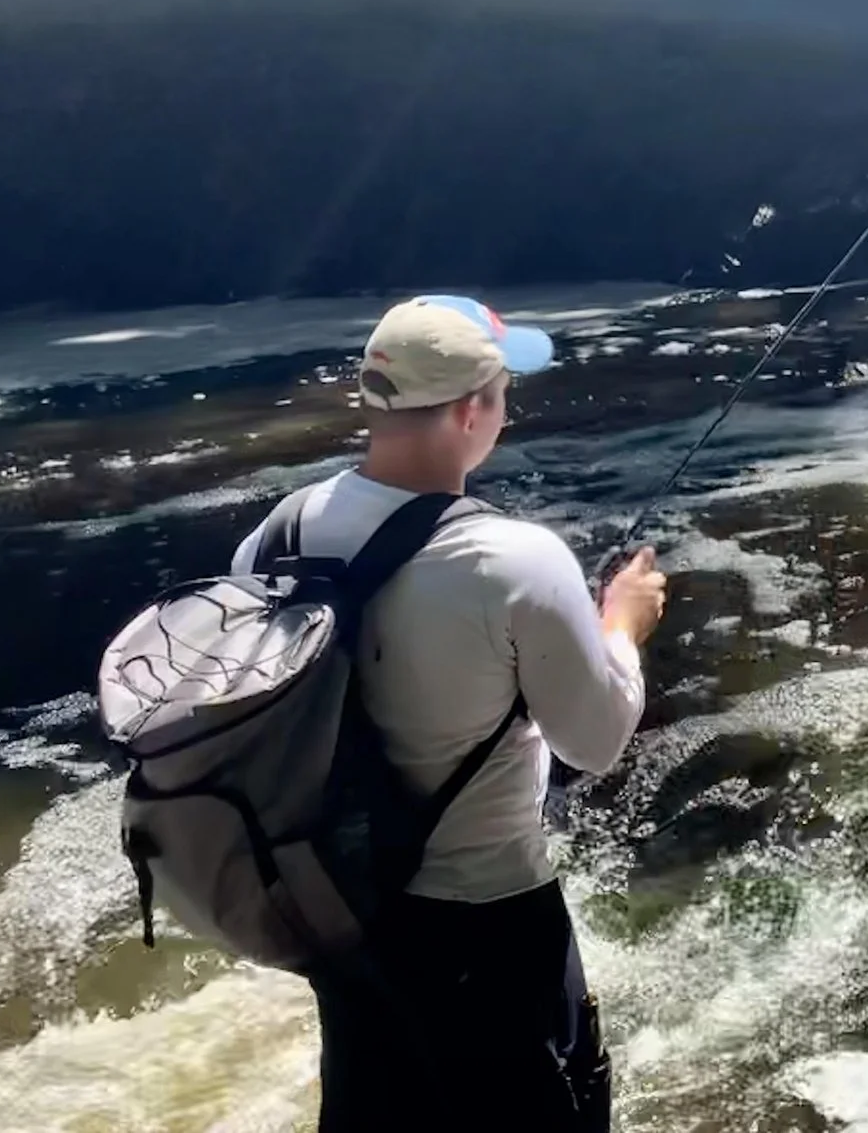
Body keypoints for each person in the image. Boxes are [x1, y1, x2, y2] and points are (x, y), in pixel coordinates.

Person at [232, 294, 668, 1133]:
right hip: (492, 927)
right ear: (473, 409)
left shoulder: (275, 535)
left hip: (345, 921)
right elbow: (598, 739)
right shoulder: (515, 559)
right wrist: (622, 622)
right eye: (504, 392)